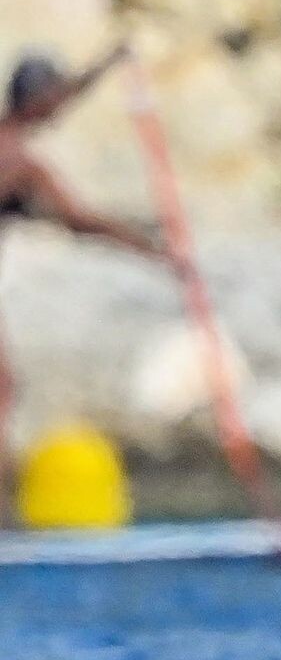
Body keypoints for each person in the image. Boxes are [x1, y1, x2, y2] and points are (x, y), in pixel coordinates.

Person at [0, 46, 170, 518]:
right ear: (38, 99)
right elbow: (79, 220)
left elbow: (57, 97)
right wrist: (152, 250)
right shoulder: (20, 162)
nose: (61, 109)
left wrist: (107, 64)